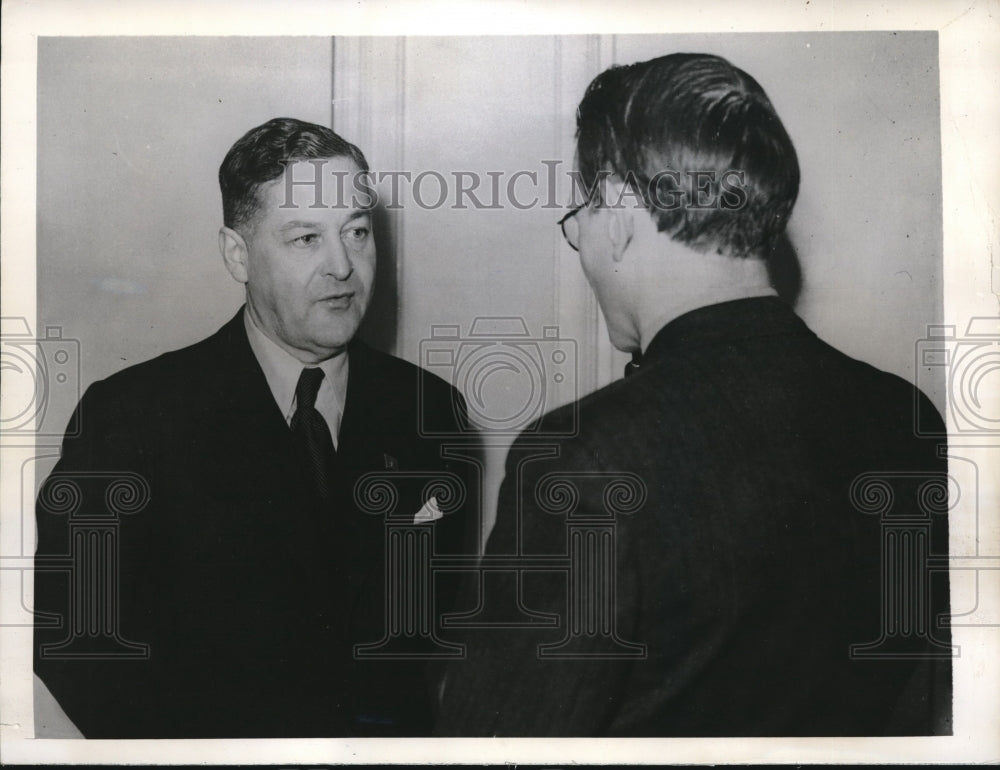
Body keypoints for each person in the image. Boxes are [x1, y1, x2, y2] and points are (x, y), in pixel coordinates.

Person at [436, 53, 951, 736]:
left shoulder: (582, 461)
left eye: (581, 212)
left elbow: (489, 746)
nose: (582, 240)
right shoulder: (903, 414)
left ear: (617, 211)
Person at [33, 118, 471, 738]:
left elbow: (424, 638)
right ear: (237, 254)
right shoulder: (131, 418)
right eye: (304, 239)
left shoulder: (435, 413)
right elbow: (76, 643)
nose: (343, 266)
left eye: (357, 232)